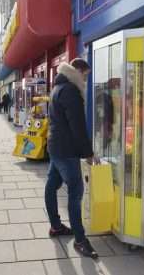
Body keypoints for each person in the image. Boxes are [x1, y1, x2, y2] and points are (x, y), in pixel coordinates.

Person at [45, 58, 99, 259]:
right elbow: (77, 126)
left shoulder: (57, 88)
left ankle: (56, 226)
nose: (85, 79)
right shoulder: (70, 91)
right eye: (85, 75)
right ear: (77, 71)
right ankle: (80, 240)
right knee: (76, 192)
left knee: (52, 185)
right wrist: (88, 153)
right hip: (66, 150)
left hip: (56, 146)